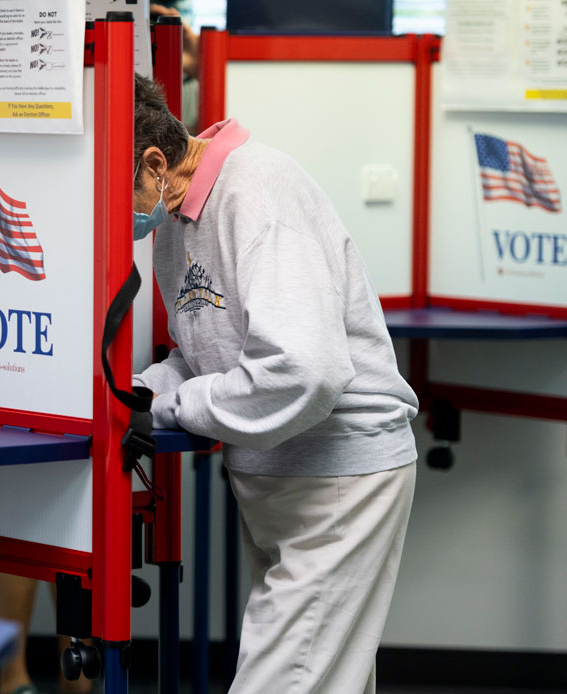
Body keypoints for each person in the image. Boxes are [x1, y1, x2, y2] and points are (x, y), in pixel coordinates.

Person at [131, 74, 419, 694]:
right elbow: (213, 349)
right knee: (321, 674)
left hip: (338, 478)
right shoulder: (179, 217)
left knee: (284, 678)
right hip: (278, 474)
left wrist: (180, 404)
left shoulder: (256, 192)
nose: (114, 216)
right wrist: (142, 391)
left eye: (113, 194)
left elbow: (302, 369)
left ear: (155, 162)